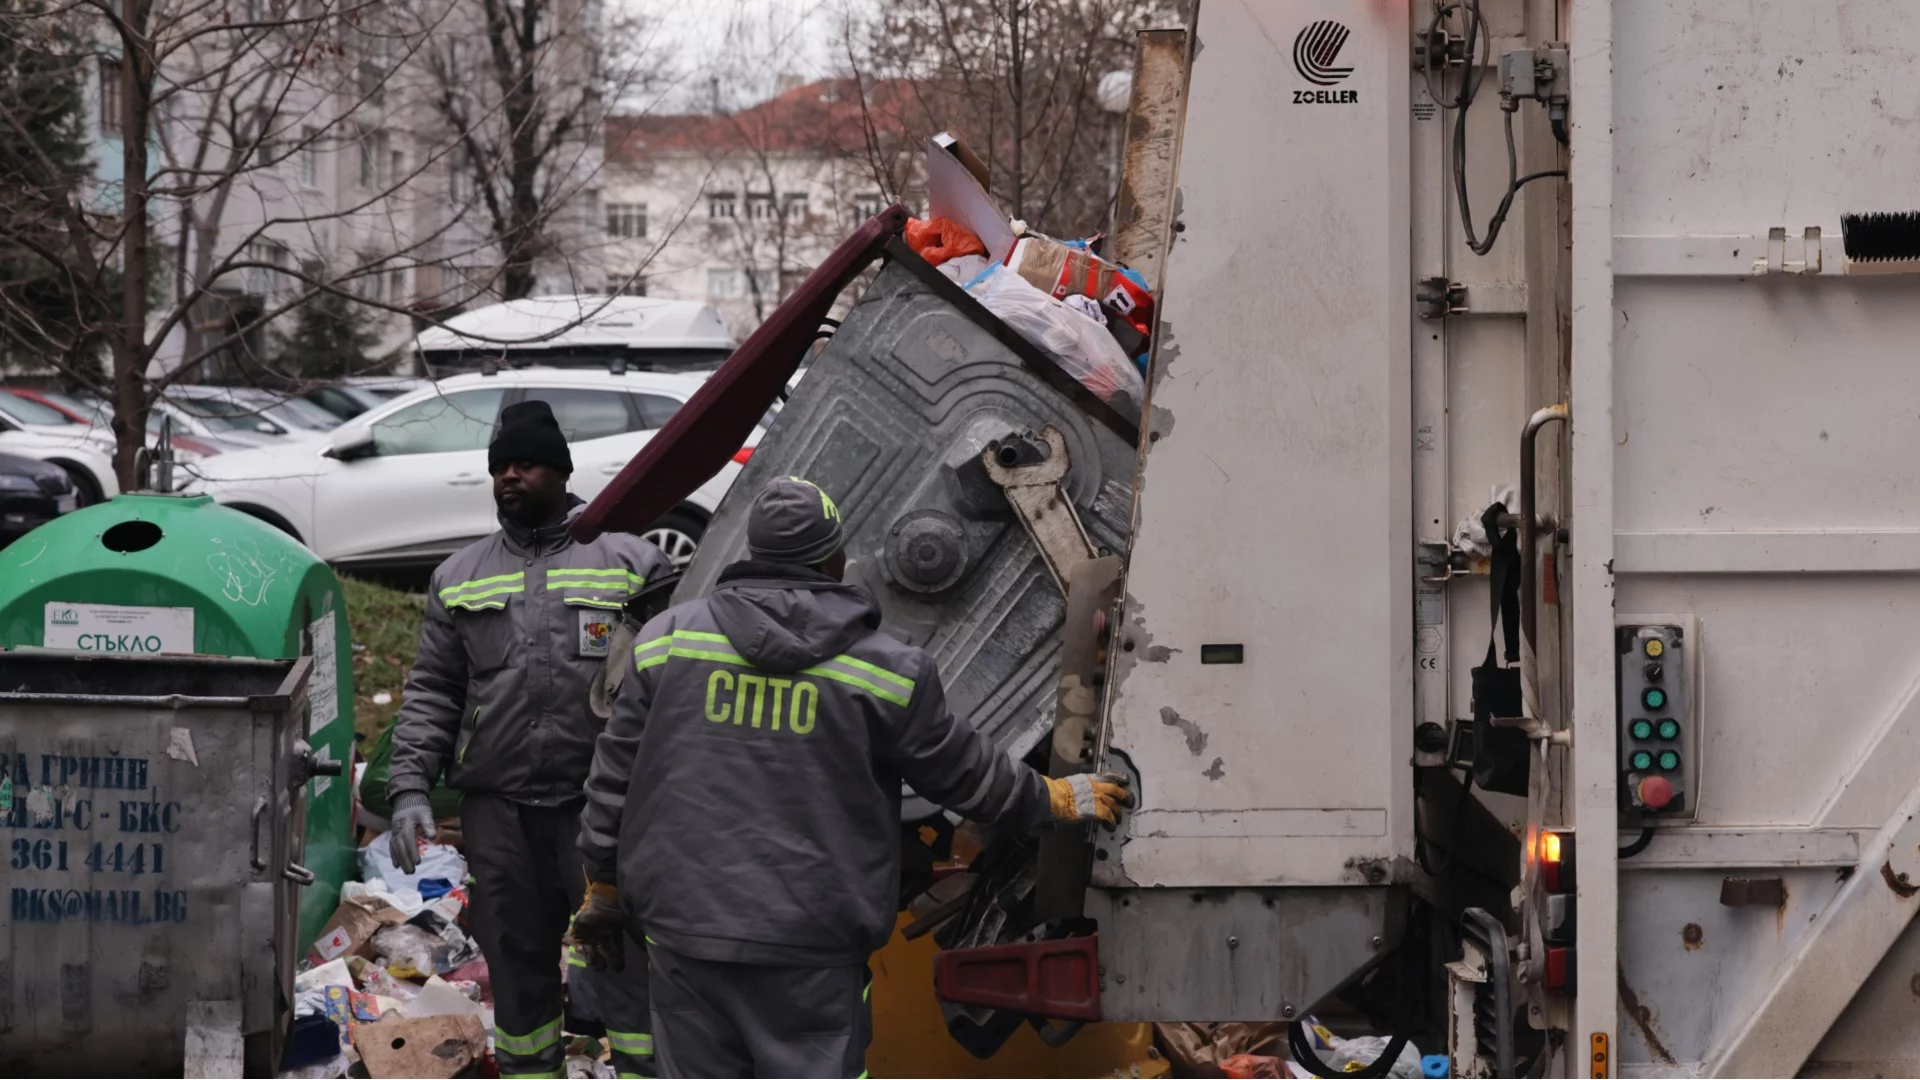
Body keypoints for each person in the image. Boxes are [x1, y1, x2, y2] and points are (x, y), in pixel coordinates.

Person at [569, 476, 1132, 1079]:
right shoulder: (887, 672)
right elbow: (962, 773)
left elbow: (613, 779)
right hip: (812, 940)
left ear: (752, 554)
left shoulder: (665, 644)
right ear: (836, 558)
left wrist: (602, 885)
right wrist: (1051, 797)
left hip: (685, 931)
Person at [387, 400, 671, 1079]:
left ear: (561, 471)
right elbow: (433, 690)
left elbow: (672, 690)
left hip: (603, 806)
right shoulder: (459, 577)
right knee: (516, 961)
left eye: (525, 464)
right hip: (501, 810)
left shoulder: (634, 564)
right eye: (499, 467)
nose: (509, 477)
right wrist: (408, 789)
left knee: (628, 955)